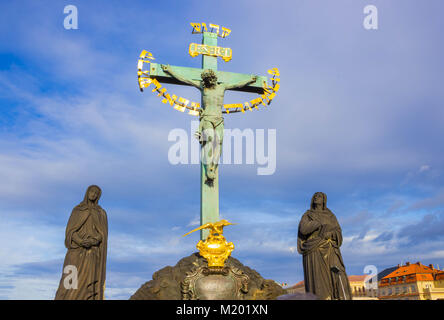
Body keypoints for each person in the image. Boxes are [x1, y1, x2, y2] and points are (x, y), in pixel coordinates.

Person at [161, 65, 256, 180]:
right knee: (210, 140)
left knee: (219, 142)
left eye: (211, 79)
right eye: (207, 80)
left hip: (219, 119)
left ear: (214, 78)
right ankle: (207, 167)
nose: (209, 82)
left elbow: (238, 85)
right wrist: (170, 71)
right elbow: (185, 79)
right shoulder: (203, 87)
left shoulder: (222, 87)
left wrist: (249, 80)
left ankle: (213, 167)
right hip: (207, 118)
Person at [55, 185, 108, 300]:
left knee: (87, 284)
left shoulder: (100, 213)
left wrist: (93, 241)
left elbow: (102, 235)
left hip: (91, 253)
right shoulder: (77, 210)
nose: (93, 194)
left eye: (96, 193)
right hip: (75, 252)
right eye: (92, 191)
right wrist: (80, 241)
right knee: (68, 282)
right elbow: (70, 231)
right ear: (87, 192)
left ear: (98, 196)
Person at [297, 192, 352, 300]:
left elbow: (338, 231)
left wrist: (331, 234)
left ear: (324, 200)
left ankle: (340, 297)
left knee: (339, 273)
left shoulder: (330, 215)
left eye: (320, 196)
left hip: (330, 247)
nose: (317, 198)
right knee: (319, 280)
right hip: (315, 249)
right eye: (315, 196)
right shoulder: (308, 215)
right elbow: (303, 229)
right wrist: (318, 224)